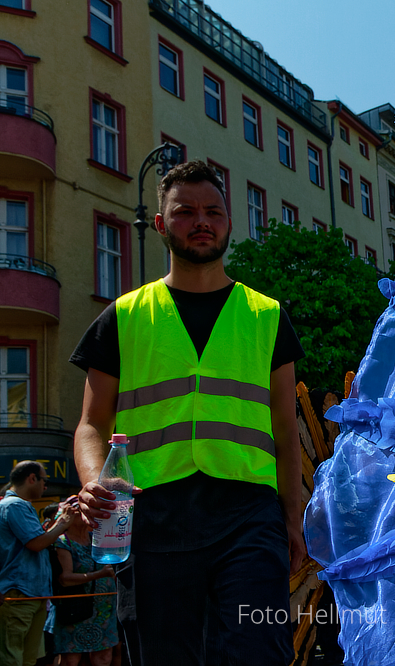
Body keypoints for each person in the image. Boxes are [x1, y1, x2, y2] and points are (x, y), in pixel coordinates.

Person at [71, 161, 305, 665]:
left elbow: (287, 431)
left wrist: (292, 514)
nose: (201, 221)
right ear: (159, 224)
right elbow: (92, 424)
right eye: (185, 212)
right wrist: (94, 480)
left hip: (249, 518)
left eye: (213, 211)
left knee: (257, 651)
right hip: (151, 518)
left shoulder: (268, 317)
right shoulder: (122, 318)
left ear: (228, 223)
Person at [0, 461, 76, 666]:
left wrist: (58, 522)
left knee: (27, 659)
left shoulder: (21, 505)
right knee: (12, 658)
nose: (46, 486)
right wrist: (63, 524)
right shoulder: (14, 505)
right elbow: (36, 544)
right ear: (32, 478)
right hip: (19, 594)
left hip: (32, 594)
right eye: (45, 480)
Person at [47, 496, 117, 666]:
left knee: (104, 657)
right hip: (75, 609)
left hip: (104, 610)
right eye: (82, 512)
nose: (88, 516)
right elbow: (65, 579)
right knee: (71, 659)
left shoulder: (98, 538)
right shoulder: (62, 541)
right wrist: (99, 574)